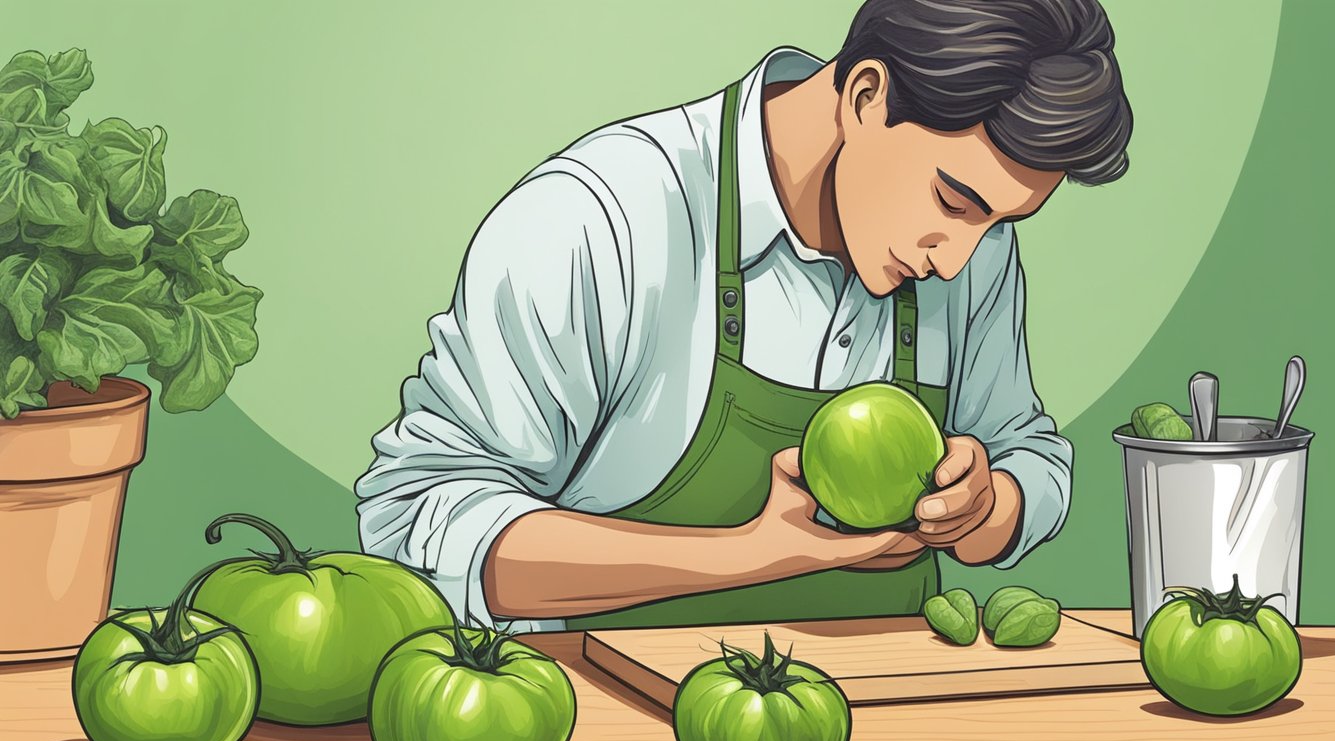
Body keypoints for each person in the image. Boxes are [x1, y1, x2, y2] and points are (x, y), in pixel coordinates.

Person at [356, 0, 1133, 632]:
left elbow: (1029, 454)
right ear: (867, 98)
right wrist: (754, 554)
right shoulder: (602, 217)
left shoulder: (973, 252)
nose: (958, 259)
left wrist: (986, 506)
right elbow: (423, 517)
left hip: (891, 719)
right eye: (954, 202)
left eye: (999, 223)